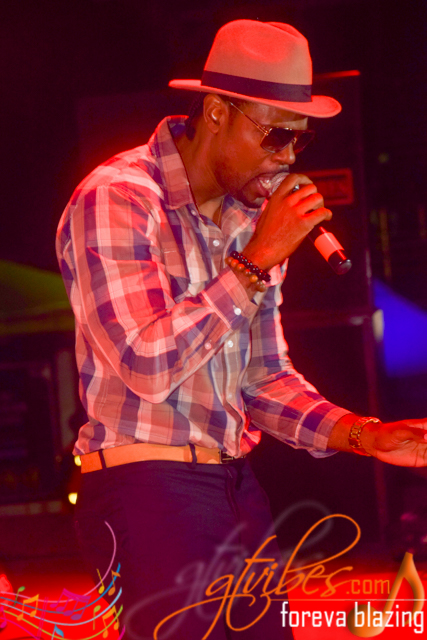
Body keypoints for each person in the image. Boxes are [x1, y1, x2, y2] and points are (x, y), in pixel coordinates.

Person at [56, 19, 427, 640]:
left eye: (299, 140)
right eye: (276, 135)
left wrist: (366, 435)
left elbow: (263, 379)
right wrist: (254, 262)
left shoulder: (247, 224)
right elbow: (147, 364)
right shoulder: (119, 198)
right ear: (216, 113)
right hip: (146, 481)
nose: (287, 157)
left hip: (233, 481)